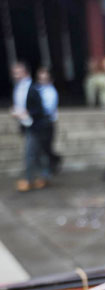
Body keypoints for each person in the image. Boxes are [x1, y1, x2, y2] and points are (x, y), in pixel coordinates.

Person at [10, 61, 49, 192]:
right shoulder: (18, 88)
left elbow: (40, 109)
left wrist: (26, 112)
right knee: (37, 153)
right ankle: (44, 175)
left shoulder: (33, 88)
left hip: (35, 126)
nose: (16, 75)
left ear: (25, 72)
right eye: (14, 72)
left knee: (30, 153)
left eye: (18, 72)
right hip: (25, 124)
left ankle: (29, 179)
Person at [36, 67, 62, 174]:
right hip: (40, 121)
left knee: (47, 145)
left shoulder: (51, 92)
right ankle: (51, 163)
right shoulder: (37, 90)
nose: (42, 81)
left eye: (45, 79)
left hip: (48, 122)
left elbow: (48, 108)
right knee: (43, 146)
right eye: (41, 79)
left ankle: (54, 162)